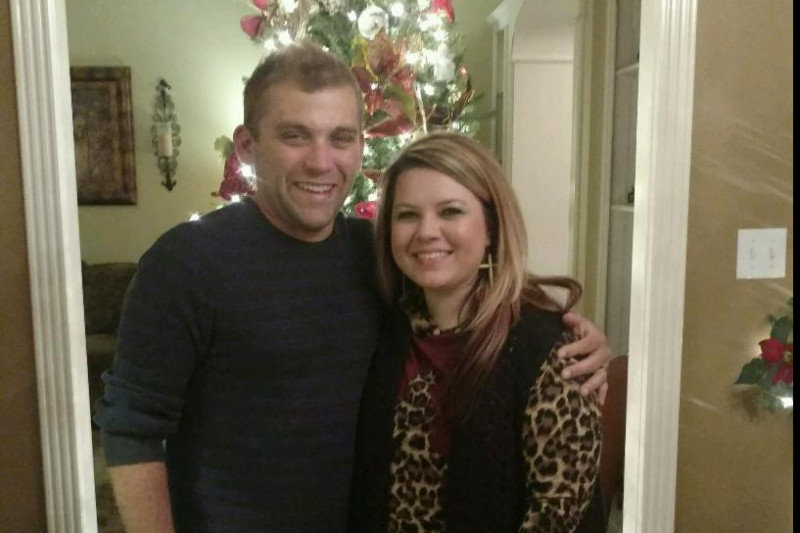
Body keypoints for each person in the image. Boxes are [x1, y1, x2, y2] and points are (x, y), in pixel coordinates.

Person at [95, 42, 610, 533]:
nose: (322, 162)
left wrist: (572, 339)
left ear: (361, 145)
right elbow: (132, 429)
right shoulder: (187, 263)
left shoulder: (373, 254)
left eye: (341, 138)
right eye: (295, 136)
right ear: (248, 145)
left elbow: (467, 293)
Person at [349, 132, 605, 533]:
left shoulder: (547, 348)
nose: (426, 232)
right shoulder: (387, 329)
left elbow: (558, 516)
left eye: (450, 211)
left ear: (491, 228)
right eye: (407, 215)